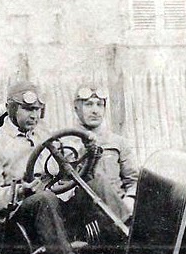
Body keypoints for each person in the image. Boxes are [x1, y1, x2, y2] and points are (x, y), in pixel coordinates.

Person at [0, 80, 84, 254]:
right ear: (12, 108)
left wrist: (78, 162)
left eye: (38, 110)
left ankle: (124, 247)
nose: (34, 116)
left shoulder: (44, 134)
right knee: (44, 199)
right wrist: (21, 191)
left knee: (95, 182)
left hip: (53, 208)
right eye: (28, 109)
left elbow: (62, 164)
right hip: (16, 222)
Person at [60, 83, 139, 243]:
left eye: (99, 105)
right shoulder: (64, 143)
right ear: (76, 108)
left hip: (118, 207)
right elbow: (58, 184)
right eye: (88, 104)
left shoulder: (118, 142)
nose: (95, 110)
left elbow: (134, 180)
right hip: (83, 212)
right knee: (96, 180)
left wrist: (129, 199)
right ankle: (130, 233)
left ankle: (127, 229)